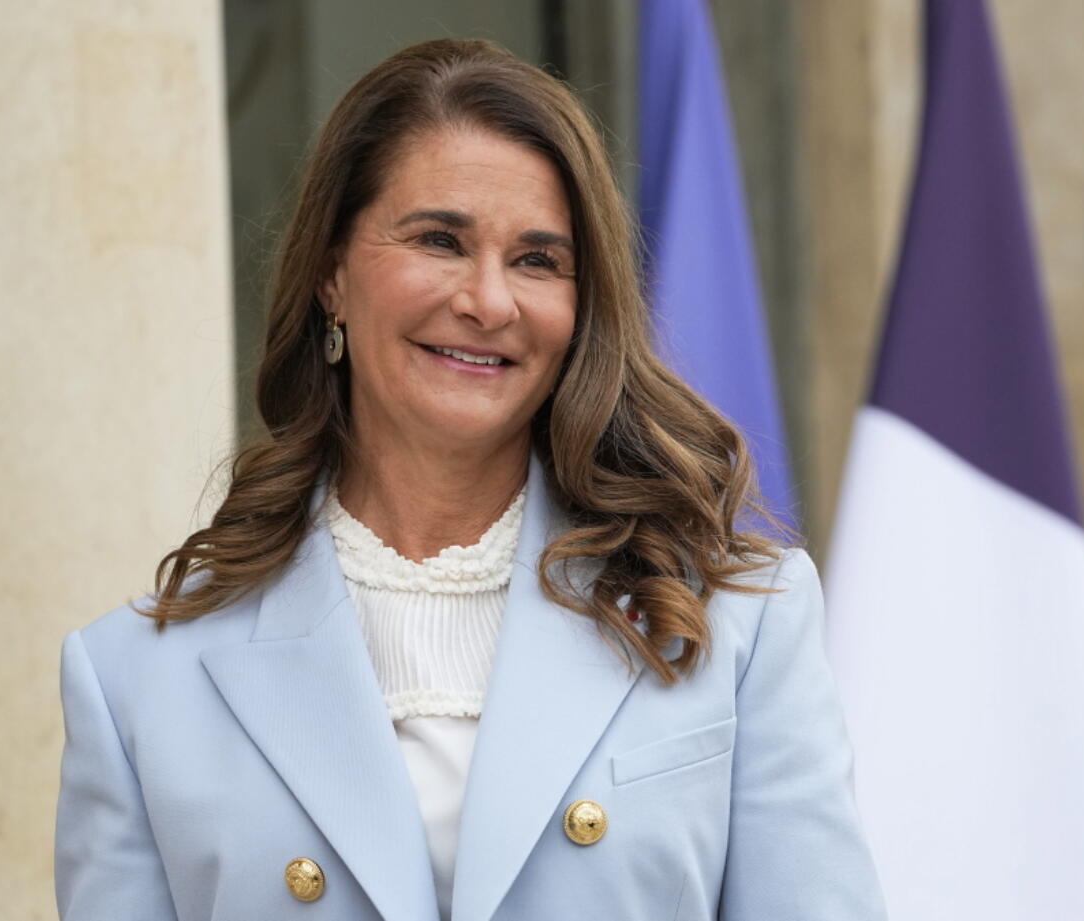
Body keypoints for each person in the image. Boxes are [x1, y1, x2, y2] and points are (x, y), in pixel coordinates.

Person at [54, 37, 886, 921]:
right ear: (333, 273)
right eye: (440, 240)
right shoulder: (136, 680)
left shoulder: (740, 622)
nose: (489, 301)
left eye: (538, 260)